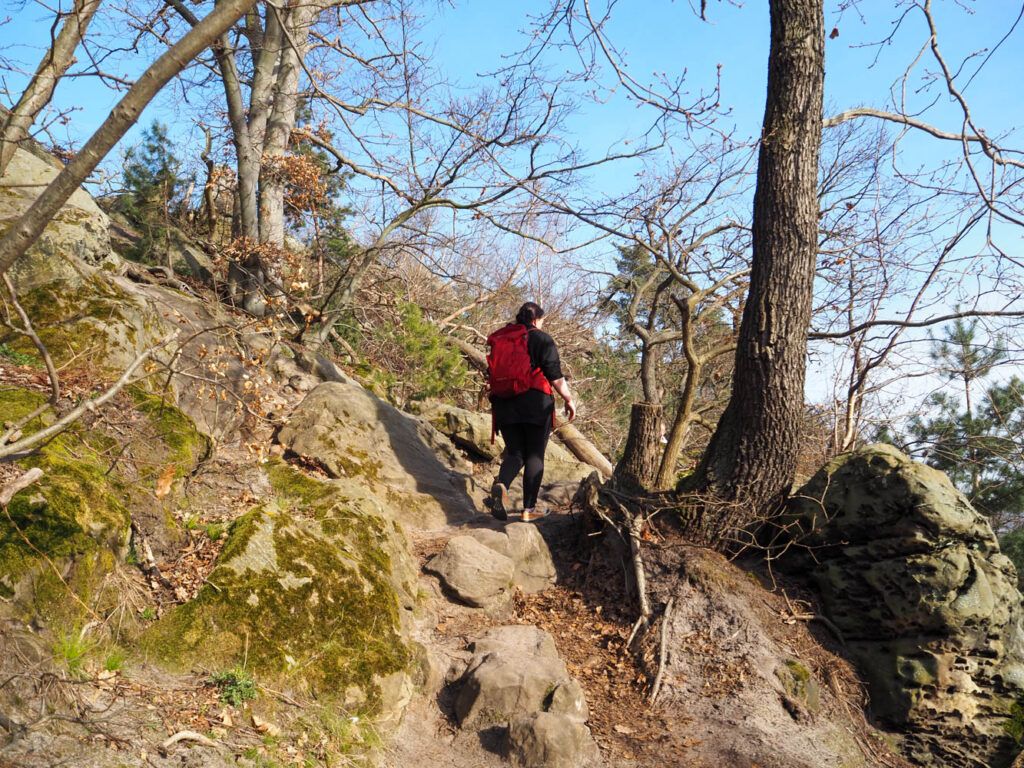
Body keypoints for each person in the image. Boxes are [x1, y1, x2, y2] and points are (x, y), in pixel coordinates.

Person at [486, 302, 576, 522]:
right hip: (535, 403)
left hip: (504, 403)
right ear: (536, 320)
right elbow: (554, 375)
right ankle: (529, 509)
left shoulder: (501, 337)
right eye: (543, 320)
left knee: (515, 452)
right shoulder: (541, 339)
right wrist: (569, 399)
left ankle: (501, 485)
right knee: (535, 454)